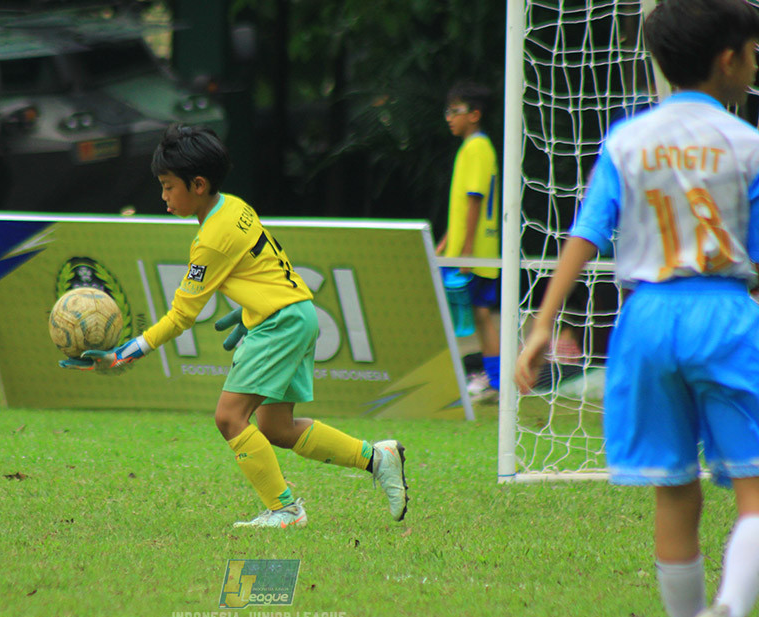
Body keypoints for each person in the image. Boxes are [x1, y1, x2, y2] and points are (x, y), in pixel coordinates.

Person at [515, 0, 759, 617]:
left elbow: (587, 233)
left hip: (645, 319)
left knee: (674, 491)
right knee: (756, 490)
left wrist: (542, 324)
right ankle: (729, 613)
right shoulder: (747, 146)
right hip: (723, 311)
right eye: (754, 52)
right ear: (728, 59)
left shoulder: (627, 140)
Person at [60, 124, 409, 528]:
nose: (163, 196)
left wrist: (125, 352)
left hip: (280, 322)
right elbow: (258, 267)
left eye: (168, 186)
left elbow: (181, 316)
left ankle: (285, 510)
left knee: (229, 417)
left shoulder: (210, 239)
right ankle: (377, 458)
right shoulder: (233, 205)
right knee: (275, 427)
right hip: (295, 314)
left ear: (198, 183)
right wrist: (249, 314)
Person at [436, 82, 501, 400]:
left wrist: (466, 251)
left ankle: (495, 380)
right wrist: (448, 240)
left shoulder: (476, 148)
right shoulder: (473, 147)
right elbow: (464, 205)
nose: (449, 118)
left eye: (455, 111)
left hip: (474, 252)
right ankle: (494, 380)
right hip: (468, 249)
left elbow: (475, 200)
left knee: (479, 314)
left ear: (474, 115)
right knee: (479, 314)